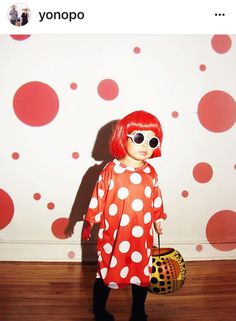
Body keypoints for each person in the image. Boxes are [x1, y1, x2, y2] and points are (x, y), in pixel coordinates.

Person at [82, 110, 166, 321]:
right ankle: (99, 310)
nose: (146, 146)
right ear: (123, 137)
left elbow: (156, 196)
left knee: (141, 275)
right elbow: (98, 196)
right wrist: (90, 221)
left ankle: (139, 311)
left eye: (152, 141)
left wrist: (158, 218)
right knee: (107, 271)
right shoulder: (111, 170)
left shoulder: (151, 172)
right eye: (139, 138)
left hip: (141, 237)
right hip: (114, 236)